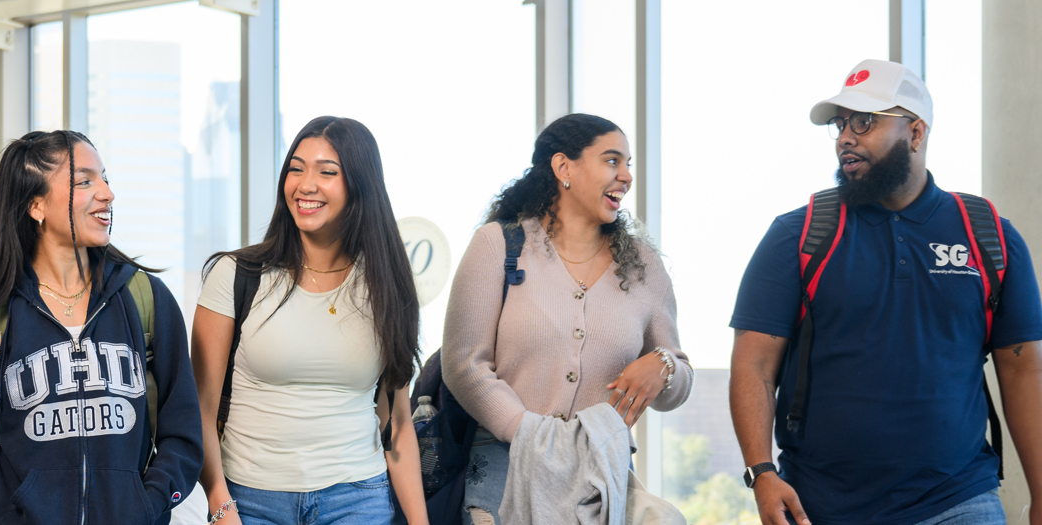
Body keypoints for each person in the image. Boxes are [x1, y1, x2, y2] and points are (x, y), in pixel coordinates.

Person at [728, 59, 1042, 525]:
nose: (844, 138)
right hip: (818, 505)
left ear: (916, 132)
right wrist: (761, 472)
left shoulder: (989, 235)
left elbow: (1022, 370)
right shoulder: (798, 234)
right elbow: (753, 364)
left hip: (958, 501)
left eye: (864, 122)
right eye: (839, 124)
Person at [0, 130, 202, 524]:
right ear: (36, 205)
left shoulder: (147, 299)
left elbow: (184, 435)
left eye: (105, 178)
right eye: (85, 181)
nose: (106, 193)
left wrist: (148, 502)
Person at [442, 113, 691, 524]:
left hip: (601, 481)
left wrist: (663, 367)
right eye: (613, 161)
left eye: (629, 164)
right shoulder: (497, 245)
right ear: (563, 168)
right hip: (504, 475)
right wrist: (527, 432)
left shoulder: (644, 268)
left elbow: (677, 382)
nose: (626, 176)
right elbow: (464, 363)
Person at [193, 116, 429, 525]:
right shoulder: (235, 275)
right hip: (251, 500)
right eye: (296, 168)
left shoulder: (387, 283)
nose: (305, 184)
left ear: (360, 185)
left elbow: (399, 422)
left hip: (359, 500)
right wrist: (220, 503)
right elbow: (199, 407)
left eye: (327, 172)